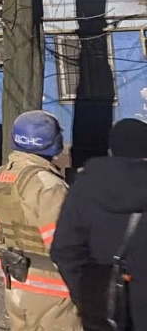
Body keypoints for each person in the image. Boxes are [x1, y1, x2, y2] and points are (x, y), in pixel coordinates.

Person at [0, 111, 81, 331]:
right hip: (54, 290)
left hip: (16, 283)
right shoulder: (49, 186)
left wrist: (6, 261)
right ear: (55, 143)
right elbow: (65, 246)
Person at [52, 118, 147, 331]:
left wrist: (85, 294)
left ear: (111, 150)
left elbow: (64, 251)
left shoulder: (84, 186)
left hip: (102, 305)